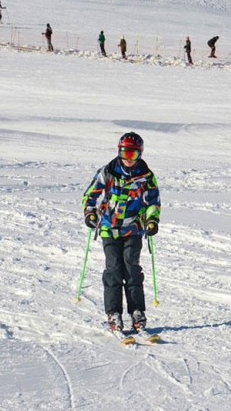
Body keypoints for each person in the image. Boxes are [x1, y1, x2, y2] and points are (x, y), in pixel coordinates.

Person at [82, 132, 161, 332]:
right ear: (119, 151)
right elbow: (90, 196)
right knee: (114, 269)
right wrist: (90, 214)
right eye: (125, 152)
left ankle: (137, 311)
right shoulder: (107, 172)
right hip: (109, 228)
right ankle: (113, 312)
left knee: (132, 269)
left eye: (133, 154)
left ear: (140, 155)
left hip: (133, 228)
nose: (128, 158)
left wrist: (152, 220)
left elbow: (153, 201)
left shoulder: (146, 176)